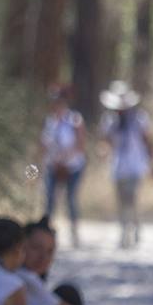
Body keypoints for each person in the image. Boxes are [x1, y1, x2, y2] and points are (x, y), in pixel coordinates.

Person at [20, 219, 150, 305]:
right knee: (68, 296)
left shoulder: (25, 277)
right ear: (20, 247)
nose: (43, 257)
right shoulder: (23, 279)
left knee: (66, 293)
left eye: (50, 251)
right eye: (36, 248)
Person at [100, 79, 153, 249]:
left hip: (135, 165)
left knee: (131, 198)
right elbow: (106, 141)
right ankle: (126, 228)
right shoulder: (110, 120)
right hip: (118, 166)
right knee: (121, 200)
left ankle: (130, 230)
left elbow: (147, 141)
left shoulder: (139, 119)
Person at [37, 84, 88, 247]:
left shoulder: (75, 120)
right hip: (53, 166)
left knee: (71, 198)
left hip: (73, 166)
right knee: (49, 198)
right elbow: (43, 145)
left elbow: (81, 145)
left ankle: (75, 233)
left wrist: (65, 157)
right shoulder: (49, 122)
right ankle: (45, 232)